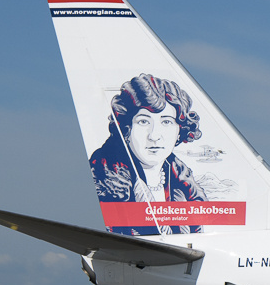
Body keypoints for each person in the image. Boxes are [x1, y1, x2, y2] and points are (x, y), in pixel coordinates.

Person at [88, 74, 207, 235]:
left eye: (166, 122)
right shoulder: (106, 189)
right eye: (143, 121)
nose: (154, 135)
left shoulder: (186, 190)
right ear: (126, 130)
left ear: (180, 131)